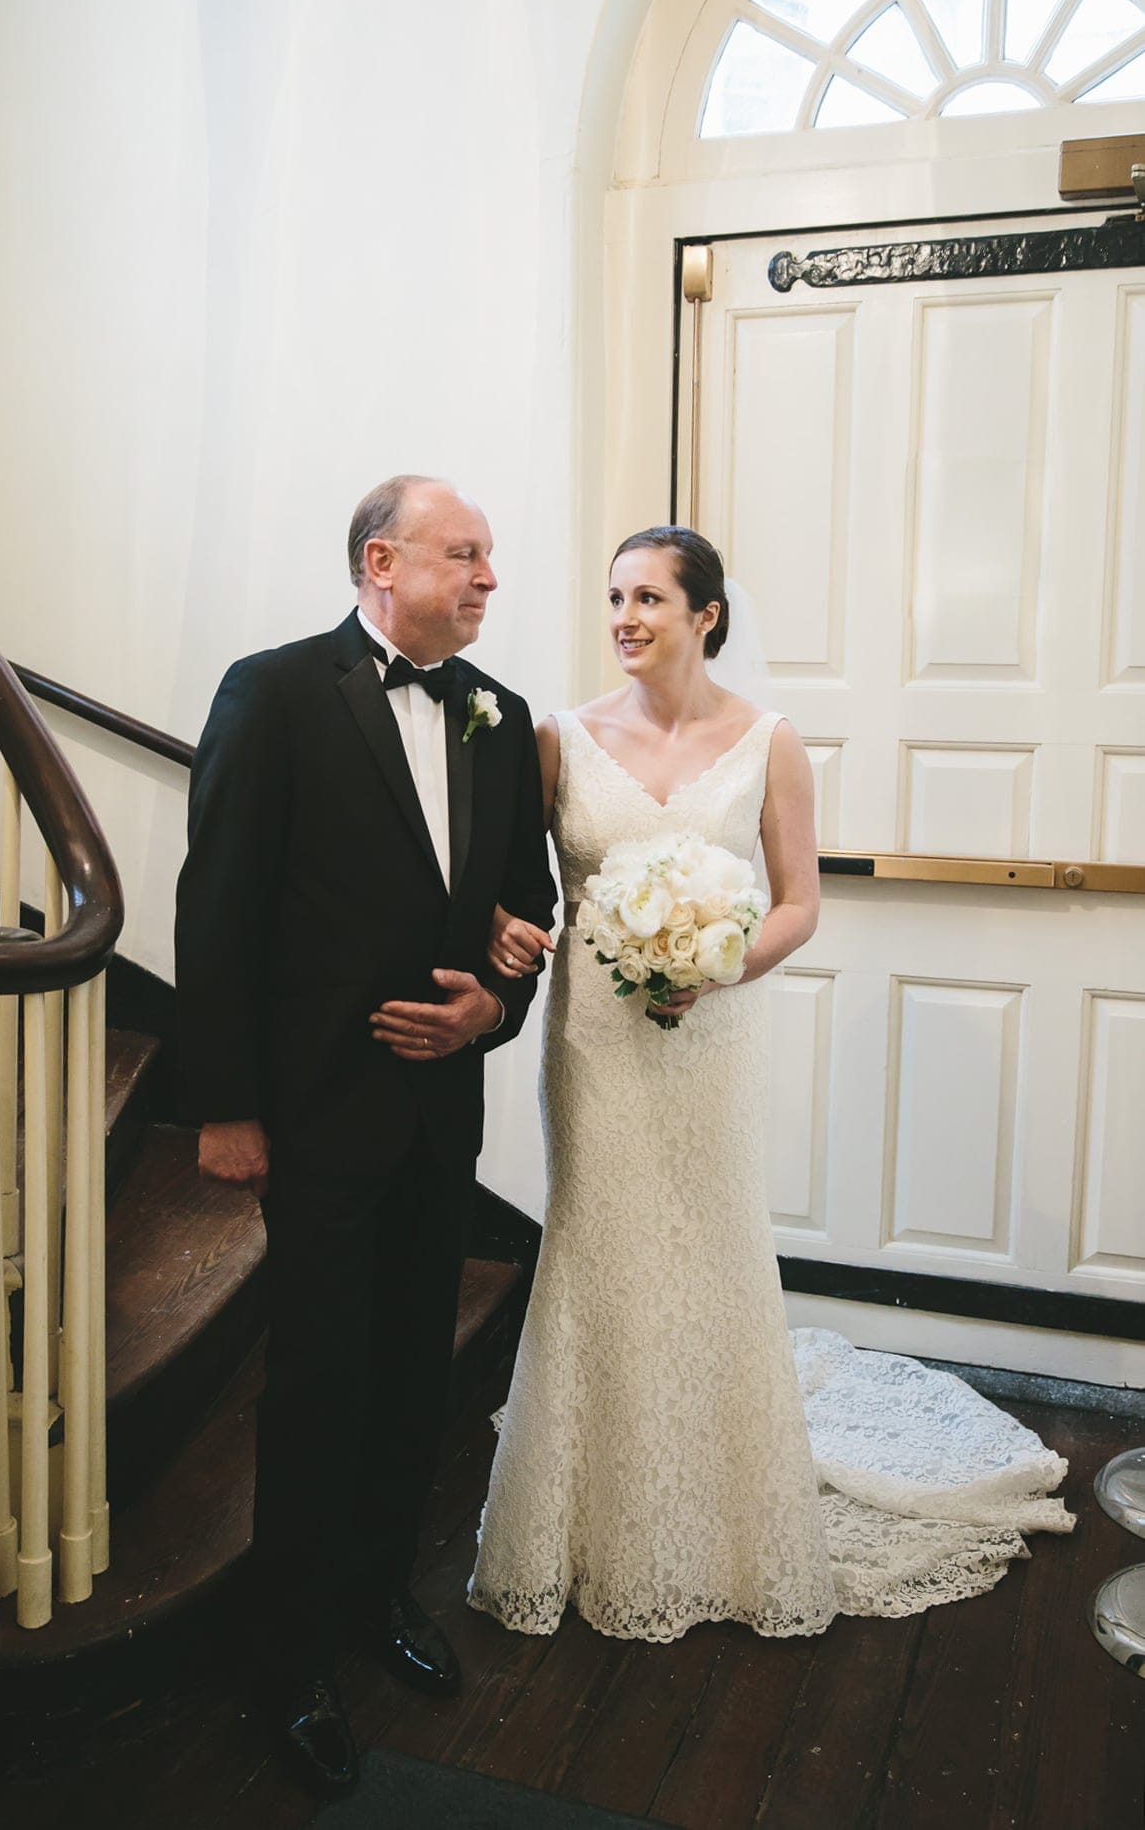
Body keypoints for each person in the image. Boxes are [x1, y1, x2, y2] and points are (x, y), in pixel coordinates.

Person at [468, 525, 1072, 1645]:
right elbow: (517, 884)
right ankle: (585, 1522)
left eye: (650, 598)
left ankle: (726, 1517)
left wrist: (717, 961)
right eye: (614, 599)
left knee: (711, 1247)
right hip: (597, 1040)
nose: (626, 619)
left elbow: (796, 901)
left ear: (707, 614)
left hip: (710, 1036)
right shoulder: (558, 739)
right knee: (597, 1245)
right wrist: (505, 930)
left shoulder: (769, 743)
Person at [175, 476, 556, 1796]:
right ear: (382, 561)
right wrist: (224, 1103)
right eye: (468, 553)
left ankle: (379, 1601)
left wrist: (492, 1006)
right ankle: (286, 1660)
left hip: (441, 1112)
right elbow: (216, 902)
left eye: (493, 556)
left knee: (411, 1370)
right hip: (316, 1109)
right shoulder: (273, 692)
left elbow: (527, 899)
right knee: (319, 1381)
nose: (491, 574)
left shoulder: (499, 719)